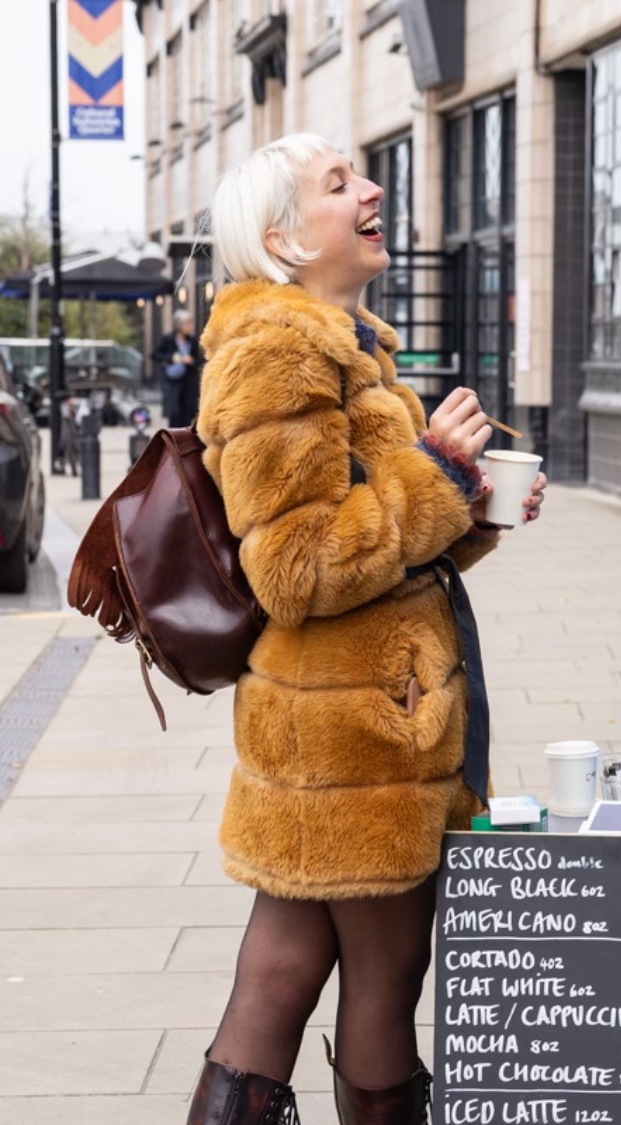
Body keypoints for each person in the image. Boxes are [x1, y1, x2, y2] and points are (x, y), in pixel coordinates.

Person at [187, 133, 547, 1125]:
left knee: (285, 971)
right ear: (285, 242)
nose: (371, 189)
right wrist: (437, 472)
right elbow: (297, 566)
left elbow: (387, 551)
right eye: (338, 185)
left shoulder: (346, 340)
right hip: (352, 739)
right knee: (383, 986)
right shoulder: (281, 347)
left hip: (349, 724)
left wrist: (470, 509)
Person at [154, 308, 202, 428]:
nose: (189, 326)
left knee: (187, 415)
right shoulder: (168, 339)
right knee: (174, 415)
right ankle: (173, 443)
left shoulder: (192, 341)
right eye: (187, 323)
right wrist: (171, 358)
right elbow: (155, 354)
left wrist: (191, 360)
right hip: (173, 382)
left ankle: (184, 443)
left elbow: (200, 359)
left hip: (188, 382)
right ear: (179, 324)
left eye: (190, 323)